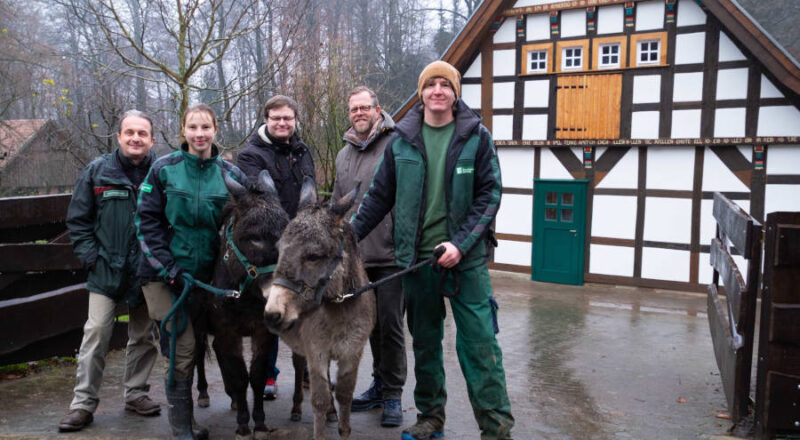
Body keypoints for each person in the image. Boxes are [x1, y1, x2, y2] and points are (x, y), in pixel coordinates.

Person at [351, 61, 515, 440]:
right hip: (418, 262)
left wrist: (461, 244)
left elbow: (490, 195)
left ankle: (496, 428)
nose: (437, 91)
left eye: (446, 85)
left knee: (479, 346)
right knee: (425, 344)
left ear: (455, 93)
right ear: (421, 92)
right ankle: (430, 418)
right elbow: (378, 197)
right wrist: (346, 235)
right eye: (430, 85)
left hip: (467, 260)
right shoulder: (402, 140)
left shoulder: (476, 136)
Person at [136, 104, 246, 439]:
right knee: (182, 348)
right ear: (183, 130)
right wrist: (169, 269)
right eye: (193, 128)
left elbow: (242, 225)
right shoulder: (163, 169)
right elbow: (146, 224)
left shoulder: (231, 175)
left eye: (206, 128)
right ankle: (182, 426)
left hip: (209, 279)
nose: (200, 134)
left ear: (216, 130)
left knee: (222, 342)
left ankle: (234, 402)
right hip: (165, 276)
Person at [59, 110, 161, 432]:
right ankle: (83, 403)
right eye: (129, 132)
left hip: (146, 271)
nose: (135, 138)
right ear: (118, 137)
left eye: (142, 134)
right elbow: (78, 220)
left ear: (151, 140)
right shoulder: (97, 172)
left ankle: (136, 394)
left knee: (143, 335)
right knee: (97, 333)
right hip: (106, 270)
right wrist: (91, 257)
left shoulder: (162, 174)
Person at [332, 86, 405, 427]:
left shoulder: (397, 143)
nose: (359, 113)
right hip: (357, 257)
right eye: (353, 109)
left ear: (378, 110)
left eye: (365, 108)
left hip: (390, 254)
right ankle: (377, 387)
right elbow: (338, 206)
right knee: (367, 327)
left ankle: (393, 394)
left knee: (390, 325)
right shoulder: (343, 155)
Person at [237, 94, 316, 400]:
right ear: (266, 120)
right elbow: (259, 196)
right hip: (271, 243)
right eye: (276, 118)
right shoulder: (251, 154)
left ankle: (307, 368)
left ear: (295, 120)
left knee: (306, 305)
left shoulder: (302, 149)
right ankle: (268, 374)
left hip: (300, 239)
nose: (283, 123)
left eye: (288, 118)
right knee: (269, 307)